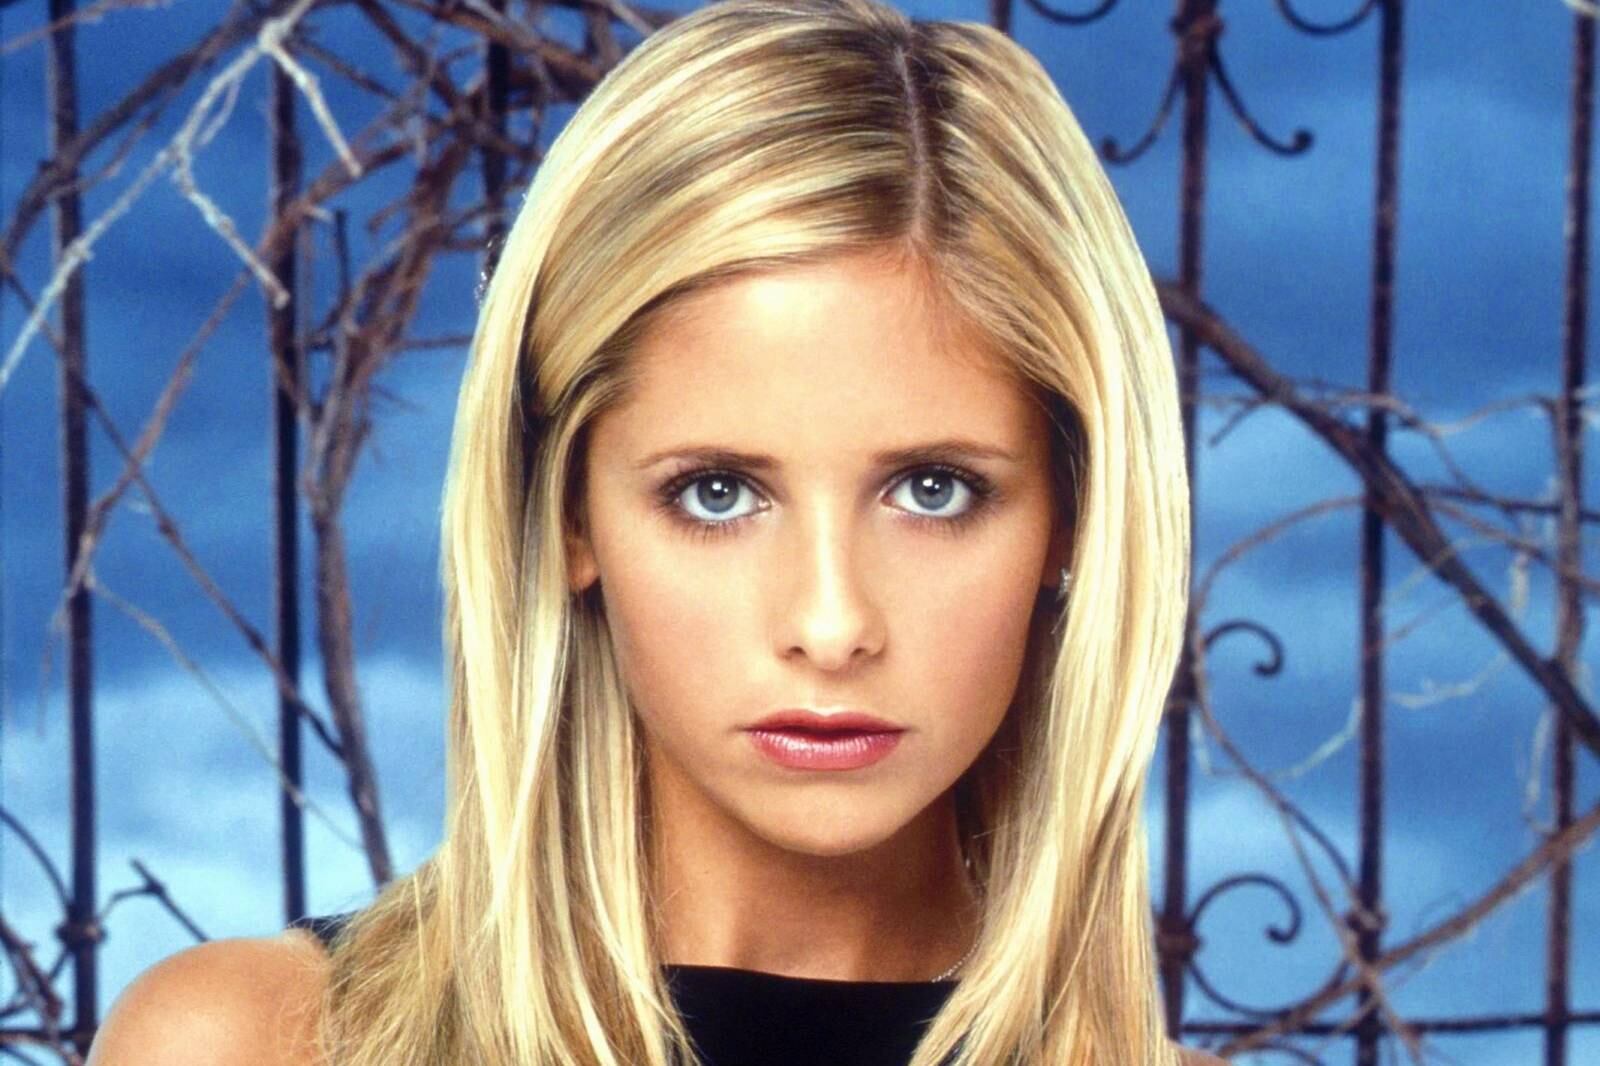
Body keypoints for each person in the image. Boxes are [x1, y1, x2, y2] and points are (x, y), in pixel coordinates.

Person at [86, 0, 1228, 1062]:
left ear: (1073, 515)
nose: (831, 624)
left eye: (933, 490)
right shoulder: (253, 1042)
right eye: (717, 493)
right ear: (566, 510)